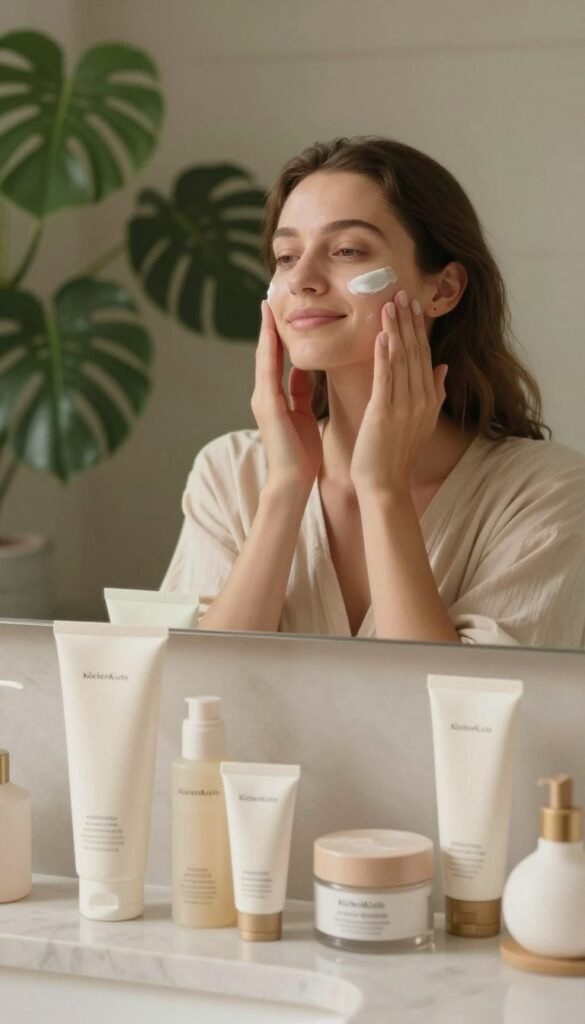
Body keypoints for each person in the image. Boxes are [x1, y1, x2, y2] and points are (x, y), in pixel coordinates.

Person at [161, 136, 585, 648]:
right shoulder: (230, 475)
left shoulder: (548, 494)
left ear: (443, 289)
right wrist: (285, 490)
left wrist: (382, 490)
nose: (303, 280)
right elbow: (197, 688)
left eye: (346, 251)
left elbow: (456, 711)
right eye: (286, 255)